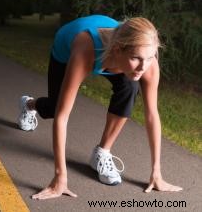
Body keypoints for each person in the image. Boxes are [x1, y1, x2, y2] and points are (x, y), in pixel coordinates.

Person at [18, 14, 182, 200]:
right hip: (67, 48)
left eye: (150, 57)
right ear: (119, 50)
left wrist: (157, 173)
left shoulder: (147, 63)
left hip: (114, 57)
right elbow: (62, 117)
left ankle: (102, 153)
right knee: (55, 108)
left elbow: (152, 115)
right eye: (137, 58)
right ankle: (29, 104)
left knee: (129, 87)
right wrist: (60, 177)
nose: (143, 67)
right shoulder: (85, 49)